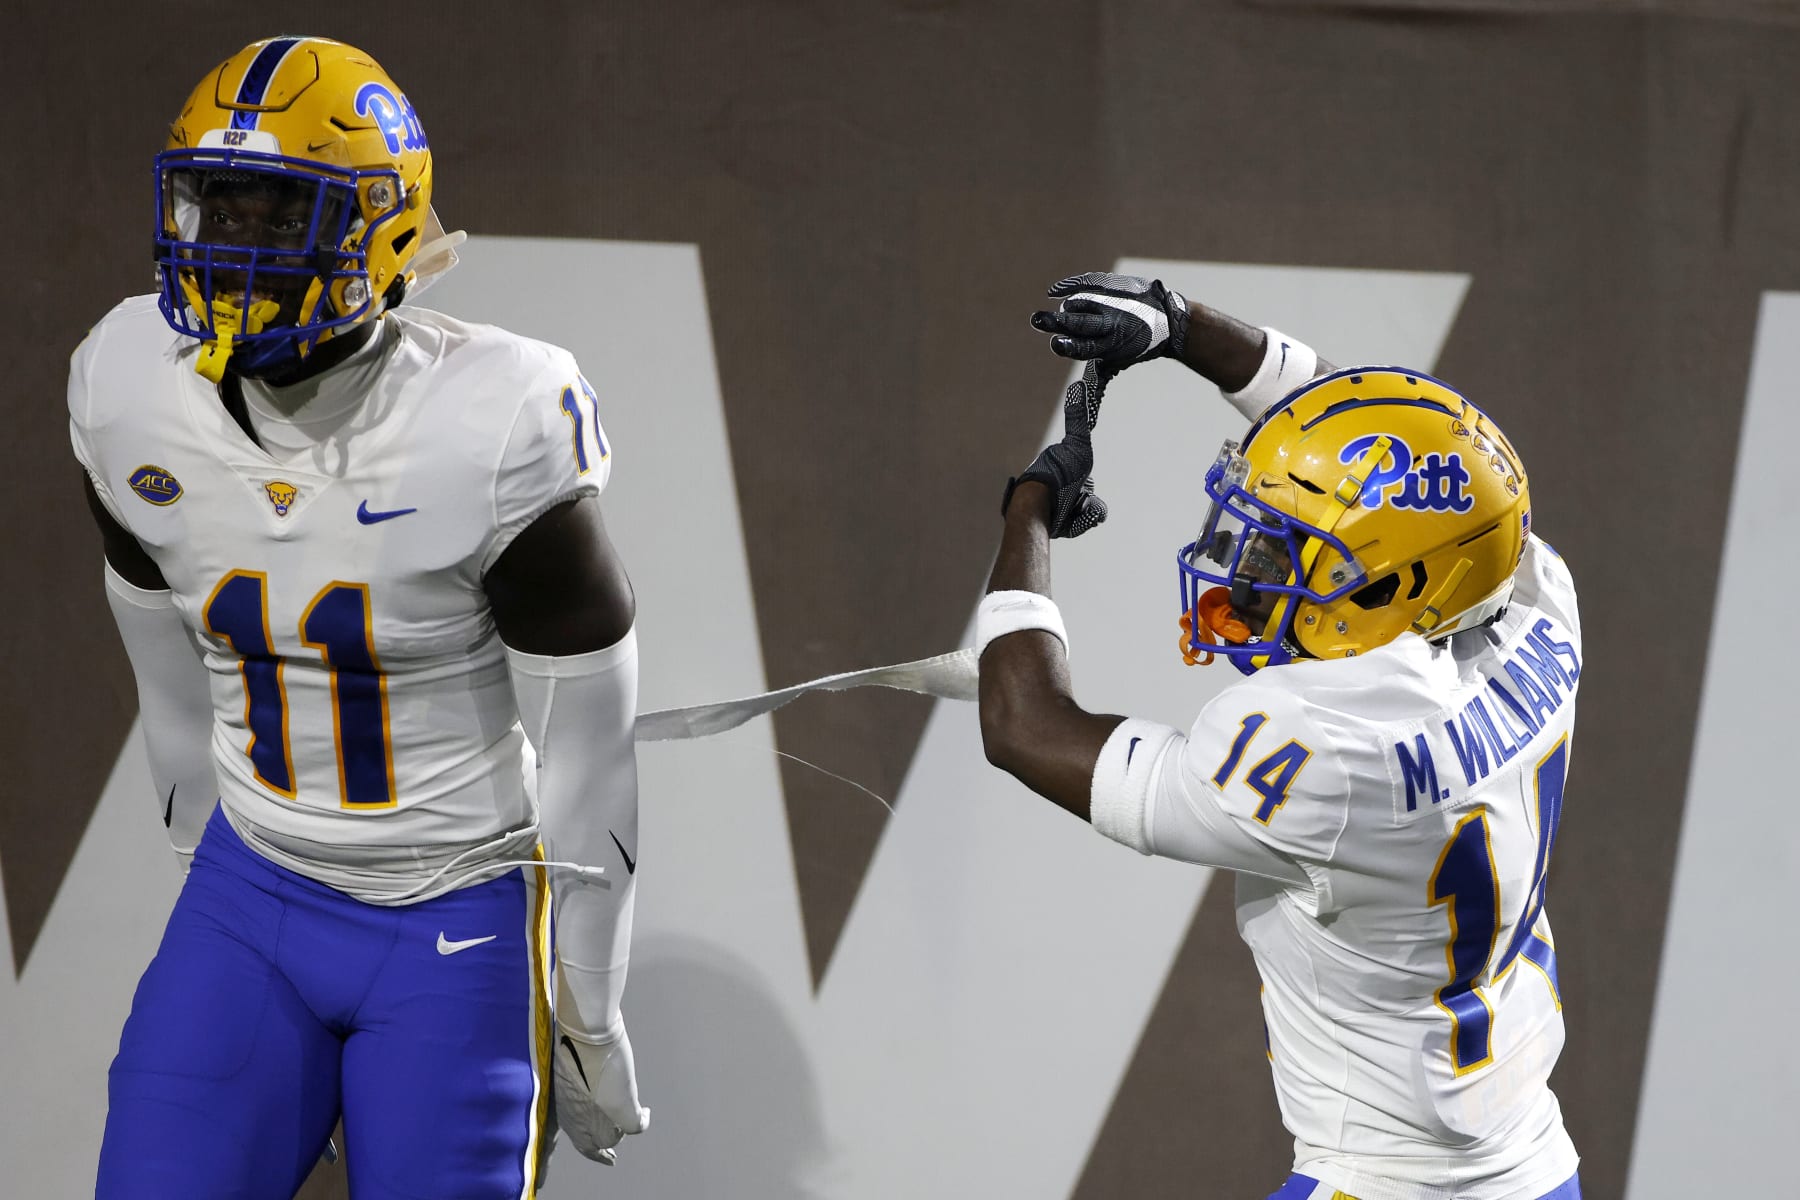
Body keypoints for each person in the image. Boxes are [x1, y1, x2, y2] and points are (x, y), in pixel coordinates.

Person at [70, 36, 647, 1198]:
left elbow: (589, 747)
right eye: (208, 201)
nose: (227, 245)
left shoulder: (493, 421)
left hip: (456, 915)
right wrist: (202, 884)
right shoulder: (124, 386)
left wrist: (587, 1001)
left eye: (275, 213)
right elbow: (172, 696)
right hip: (251, 890)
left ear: (381, 228)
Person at [978, 273, 1582, 1199]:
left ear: (1394, 591)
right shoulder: (1535, 600)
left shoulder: (1323, 741)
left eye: (1297, 556)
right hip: (1533, 1164)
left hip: (1380, 1181)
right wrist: (1182, 327)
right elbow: (1376, 433)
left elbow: (1023, 727)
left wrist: (1028, 510)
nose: (1253, 576)